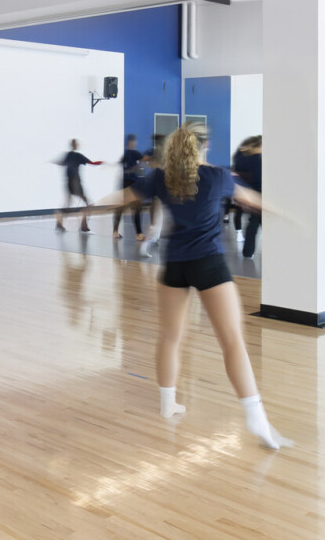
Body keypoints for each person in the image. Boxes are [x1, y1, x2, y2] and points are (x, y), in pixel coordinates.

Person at [132, 123, 287, 449]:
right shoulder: (218, 177)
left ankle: (167, 404)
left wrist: (88, 208)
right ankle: (256, 419)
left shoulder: (162, 177)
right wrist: (285, 212)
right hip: (209, 265)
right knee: (232, 342)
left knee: (170, 338)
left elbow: (124, 196)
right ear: (205, 145)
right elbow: (251, 200)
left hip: (174, 266)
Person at [54, 139, 102, 233]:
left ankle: (59, 223)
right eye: (77, 143)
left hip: (68, 182)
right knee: (89, 204)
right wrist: (102, 162)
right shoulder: (77, 156)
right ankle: (83, 226)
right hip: (75, 182)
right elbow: (92, 163)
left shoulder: (68, 155)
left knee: (68, 204)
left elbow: (60, 163)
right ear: (75, 145)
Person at [231, 136, 262, 258]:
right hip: (258, 193)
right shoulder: (257, 159)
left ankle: (248, 252)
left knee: (253, 223)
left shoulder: (244, 159)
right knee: (256, 223)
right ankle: (248, 252)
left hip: (249, 193)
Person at [113, 134, 143, 239]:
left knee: (121, 208)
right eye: (135, 141)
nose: (136, 143)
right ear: (131, 142)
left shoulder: (125, 154)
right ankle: (139, 234)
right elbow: (146, 158)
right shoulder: (134, 153)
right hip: (131, 183)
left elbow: (120, 164)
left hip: (124, 183)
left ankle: (115, 232)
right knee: (137, 208)